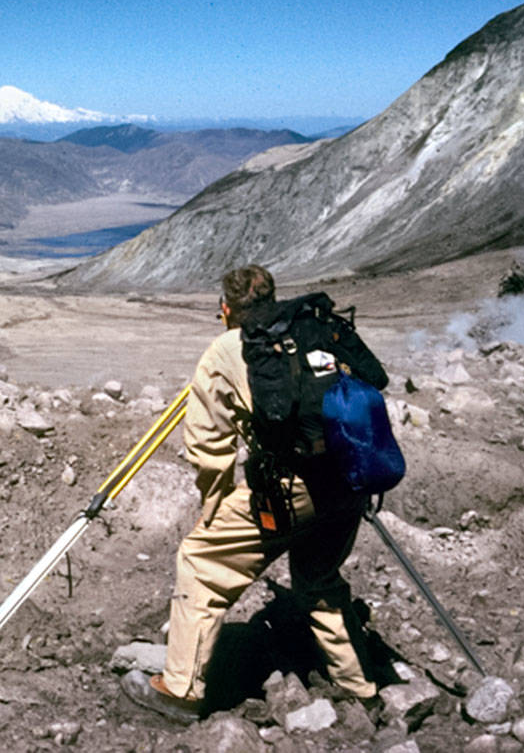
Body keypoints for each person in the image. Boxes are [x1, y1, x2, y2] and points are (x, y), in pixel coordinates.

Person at [122, 264, 380, 722]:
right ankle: (359, 686)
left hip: (289, 490)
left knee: (201, 564)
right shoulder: (314, 330)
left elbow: (208, 446)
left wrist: (215, 504)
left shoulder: (226, 350)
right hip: (350, 478)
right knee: (319, 579)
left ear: (226, 309)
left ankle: (180, 690)